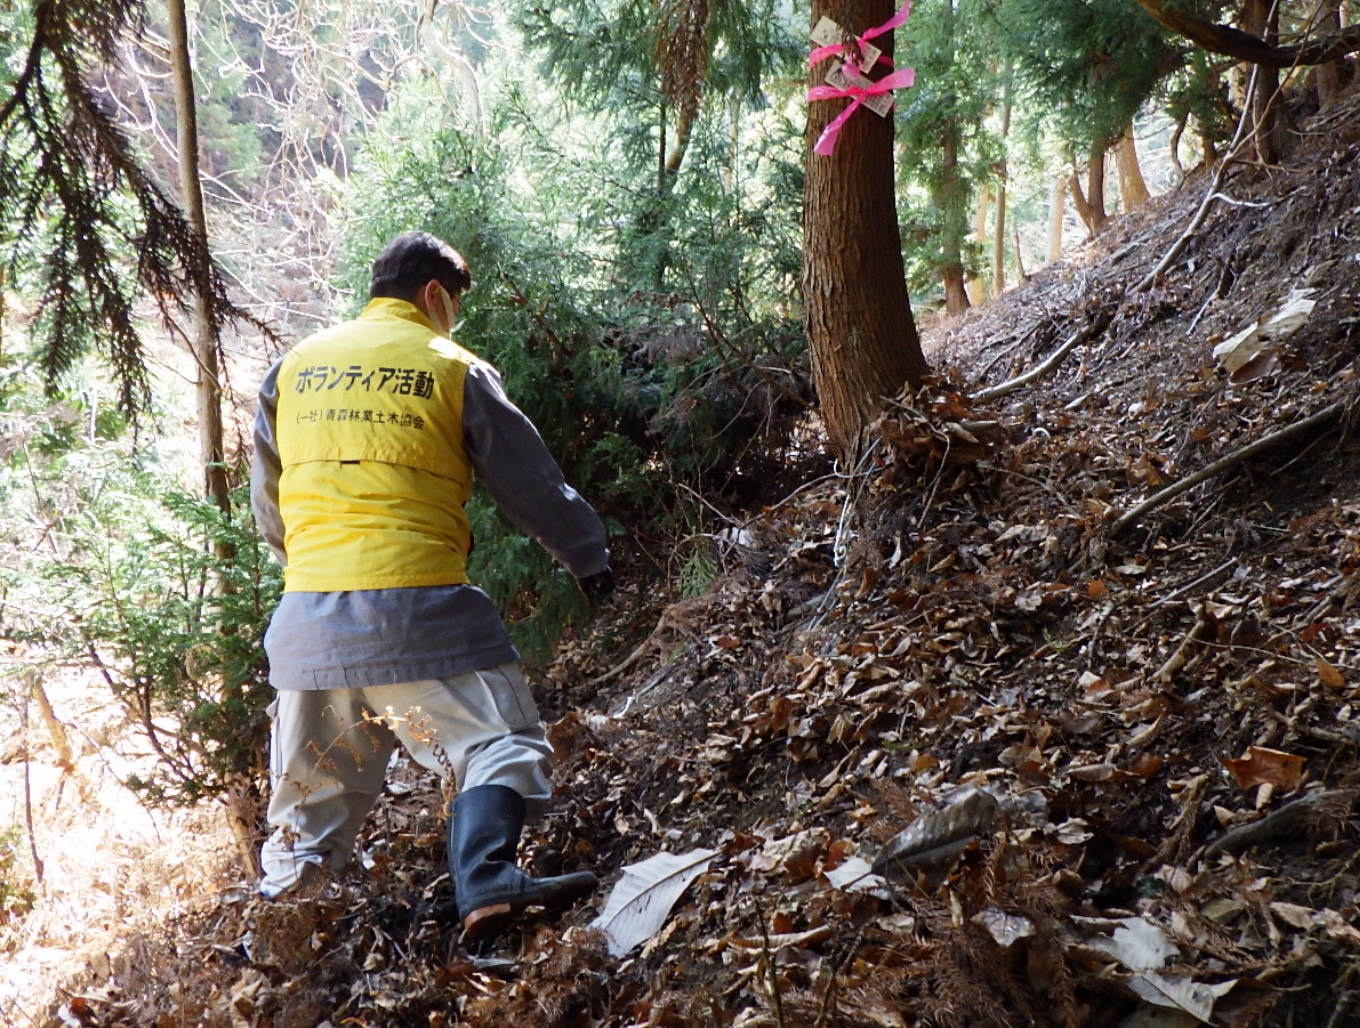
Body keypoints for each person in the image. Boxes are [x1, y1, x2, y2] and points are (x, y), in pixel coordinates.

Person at [250, 230, 613, 944]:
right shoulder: (451, 365)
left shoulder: (291, 368)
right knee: (502, 743)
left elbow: (273, 506)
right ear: (435, 296)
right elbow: (533, 487)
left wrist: (317, 583)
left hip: (305, 631)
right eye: (455, 308)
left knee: (308, 806)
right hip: (423, 613)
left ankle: (278, 948)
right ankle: (485, 881)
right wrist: (590, 560)